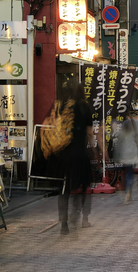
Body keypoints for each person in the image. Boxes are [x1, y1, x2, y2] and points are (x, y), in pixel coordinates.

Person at [49, 82, 96, 235]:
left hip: (63, 155)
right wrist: (94, 150)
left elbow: (55, 127)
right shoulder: (85, 107)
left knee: (64, 189)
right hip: (80, 154)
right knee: (83, 186)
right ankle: (80, 216)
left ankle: (63, 224)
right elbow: (89, 133)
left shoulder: (63, 107)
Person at [113, 108, 138, 204]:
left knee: (128, 172)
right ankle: (129, 192)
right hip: (134, 151)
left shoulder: (124, 125)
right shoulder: (135, 122)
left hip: (125, 153)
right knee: (132, 173)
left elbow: (118, 136)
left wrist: (114, 131)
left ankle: (128, 193)